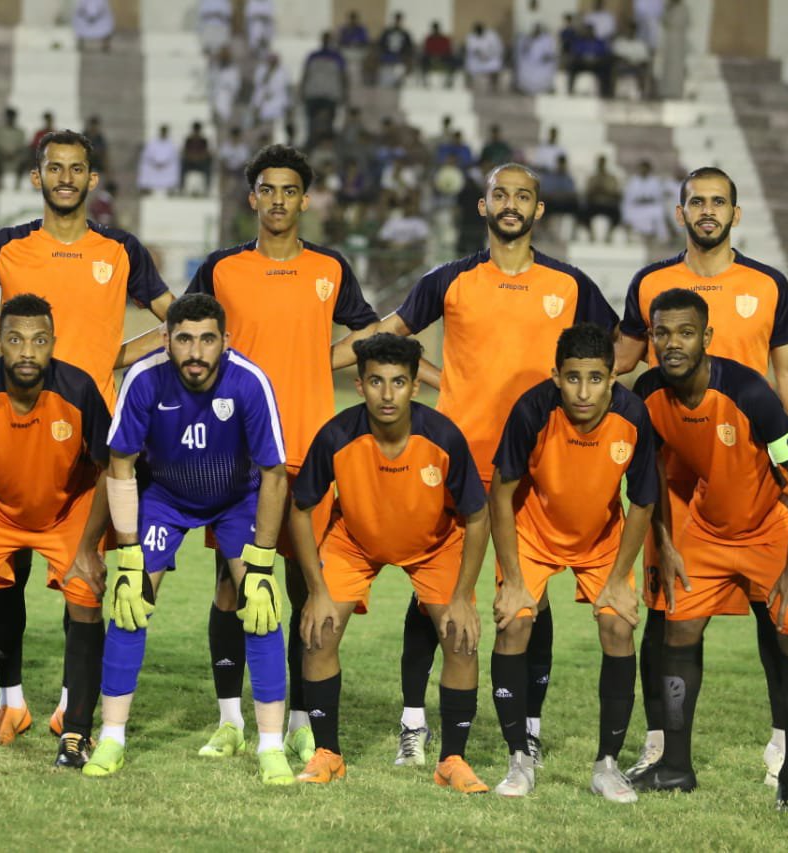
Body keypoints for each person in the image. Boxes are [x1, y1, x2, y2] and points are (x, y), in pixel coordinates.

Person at [373, 163, 618, 767]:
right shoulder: (451, 279)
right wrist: (443, 381)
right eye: (500, 195)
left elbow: (619, 353)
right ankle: (413, 723)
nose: (512, 204)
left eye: (523, 196)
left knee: (530, 598)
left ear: (539, 210)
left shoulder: (570, 284)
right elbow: (390, 338)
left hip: (536, 469)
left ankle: (528, 728)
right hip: (457, 460)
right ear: (483, 206)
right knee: (433, 594)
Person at [614, 166, 788, 788]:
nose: (707, 210)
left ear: (736, 213)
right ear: (680, 212)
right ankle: (663, 749)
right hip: (679, 483)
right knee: (668, 613)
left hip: (754, 466)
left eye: (718, 201)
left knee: (776, 614)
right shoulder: (651, 282)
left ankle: (784, 748)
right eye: (696, 201)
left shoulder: (767, 283)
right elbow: (624, 357)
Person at [0, 129, 171, 745]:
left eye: (76, 168)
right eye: (54, 168)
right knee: (8, 573)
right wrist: (14, 346)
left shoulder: (121, 250)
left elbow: (177, 319)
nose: (65, 178)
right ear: (37, 177)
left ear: (92, 179)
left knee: (84, 575)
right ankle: (11, 702)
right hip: (14, 426)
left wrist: (117, 356)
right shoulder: (3, 246)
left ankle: (67, 704)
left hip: (93, 444)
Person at [181, 145, 378, 765]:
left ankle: (298, 720)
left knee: (303, 583)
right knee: (231, 583)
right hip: (237, 449)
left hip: (310, 448)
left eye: (289, 190)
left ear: (305, 200)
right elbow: (186, 331)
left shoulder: (330, 267)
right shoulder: (222, 268)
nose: (278, 200)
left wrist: (318, 360)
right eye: (267, 189)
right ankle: (229, 720)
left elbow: (369, 332)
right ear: (252, 198)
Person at [81, 293, 292, 784]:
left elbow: (275, 475)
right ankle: (112, 738)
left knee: (260, 604)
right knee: (130, 599)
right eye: (184, 339)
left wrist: (262, 564)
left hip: (237, 498)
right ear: (165, 339)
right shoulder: (143, 378)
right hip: (166, 497)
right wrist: (128, 554)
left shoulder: (249, 381)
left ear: (225, 341)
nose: (195, 352)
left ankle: (270, 745)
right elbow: (120, 465)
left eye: (207, 339)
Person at [293, 333, 490, 793]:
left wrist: (463, 596)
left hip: (435, 544)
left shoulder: (443, 436)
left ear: (415, 386)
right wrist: (316, 591)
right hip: (354, 541)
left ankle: (452, 762)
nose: (387, 394)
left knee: (461, 640)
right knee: (319, 632)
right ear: (359, 384)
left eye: (398, 382)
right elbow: (301, 510)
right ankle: (328, 755)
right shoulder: (336, 435)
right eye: (376, 381)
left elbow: (478, 517)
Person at [0, 294, 111, 770]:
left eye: (38, 340)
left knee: (86, 597)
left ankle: (75, 732)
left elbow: (110, 466)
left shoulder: (79, 389)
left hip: (66, 510)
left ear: (53, 343)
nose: (27, 351)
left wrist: (89, 548)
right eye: (15, 339)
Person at [487, 323, 655, 800]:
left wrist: (619, 580)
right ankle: (519, 761)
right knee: (515, 622)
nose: (584, 391)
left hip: (600, 538)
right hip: (532, 531)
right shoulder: (532, 410)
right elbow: (500, 494)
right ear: (556, 376)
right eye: (573, 378)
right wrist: (513, 580)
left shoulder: (633, 416)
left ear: (613, 377)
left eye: (596, 378)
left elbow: (642, 501)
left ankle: (607, 766)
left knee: (618, 626)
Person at [300, 33, 348, 146]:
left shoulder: (337, 57)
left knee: (329, 121)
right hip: (313, 93)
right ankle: (311, 143)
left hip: (331, 94)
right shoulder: (313, 55)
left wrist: (344, 92)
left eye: (328, 39)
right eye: (325, 39)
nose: (326, 41)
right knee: (311, 121)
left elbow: (343, 76)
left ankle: (327, 145)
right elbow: (306, 74)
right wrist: (302, 90)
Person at [622, 159, 669, 243]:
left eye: (645, 168)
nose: (643, 170)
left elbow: (658, 196)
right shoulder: (633, 181)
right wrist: (638, 199)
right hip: (636, 207)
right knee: (628, 212)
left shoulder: (655, 181)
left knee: (658, 212)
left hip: (650, 206)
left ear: (649, 169)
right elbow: (628, 197)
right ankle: (635, 238)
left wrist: (647, 199)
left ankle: (661, 239)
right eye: (641, 168)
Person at [582, 154, 623, 242]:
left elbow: (616, 193)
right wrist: (595, 190)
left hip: (608, 204)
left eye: (602, 163)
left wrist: (605, 191)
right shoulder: (592, 178)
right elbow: (587, 193)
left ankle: (609, 234)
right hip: (594, 204)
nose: (601, 165)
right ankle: (591, 234)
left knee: (617, 214)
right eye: (599, 163)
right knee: (583, 213)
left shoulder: (611, 178)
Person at [251, 53, 290, 139]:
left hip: (278, 101)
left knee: (277, 127)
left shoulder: (283, 71)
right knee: (264, 127)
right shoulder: (262, 70)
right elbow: (260, 86)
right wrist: (269, 72)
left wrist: (287, 105)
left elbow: (285, 88)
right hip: (265, 102)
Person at [515, 23, 558, 94]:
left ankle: (547, 88)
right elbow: (525, 52)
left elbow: (551, 52)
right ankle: (526, 88)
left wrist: (547, 57)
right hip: (531, 63)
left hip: (543, 64)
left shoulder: (546, 39)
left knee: (546, 72)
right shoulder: (529, 39)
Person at [137, 125, 180, 194]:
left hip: (166, 166)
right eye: (163, 132)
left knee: (174, 166)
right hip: (153, 165)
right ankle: (145, 187)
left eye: (165, 132)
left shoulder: (171, 144)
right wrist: (155, 163)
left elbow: (173, 156)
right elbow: (147, 155)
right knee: (145, 166)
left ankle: (171, 187)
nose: (163, 134)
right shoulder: (152, 142)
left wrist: (164, 163)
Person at [464, 22, 505, 91]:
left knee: (496, 64)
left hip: (491, 58)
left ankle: (494, 85)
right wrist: (480, 55)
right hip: (477, 60)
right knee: (469, 65)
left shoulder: (492, 35)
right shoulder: (471, 36)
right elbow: (471, 49)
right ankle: (469, 85)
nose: (478, 34)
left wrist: (488, 55)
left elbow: (498, 48)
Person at [377, 12, 415, 86]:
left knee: (402, 67)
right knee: (386, 70)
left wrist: (406, 54)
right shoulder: (387, 32)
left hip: (401, 56)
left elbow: (409, 46)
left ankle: (399, 81)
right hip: (388, 54)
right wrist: (383, 51)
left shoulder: (405, 33)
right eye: (397, 19)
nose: (397, 21)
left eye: (399, 20)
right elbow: (381, 43)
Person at [0, 107, 27, 189]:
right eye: (9, 117)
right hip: (3, 157)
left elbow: (21, 146)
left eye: (12, 117)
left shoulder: (20, 132)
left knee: (24, 161)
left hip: (16, 158)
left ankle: (18, 184)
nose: (10, 119)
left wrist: (14, 154)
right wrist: (4, 153)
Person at [421, 20, 458, 87]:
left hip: (443, 58)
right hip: (431, 58)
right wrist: (433, 55)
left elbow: (448, 50)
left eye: (436, 28)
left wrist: (441, 55)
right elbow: (426, 50)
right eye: (435, 28)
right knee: (423, 59)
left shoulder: (444, 39)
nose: (436, 30)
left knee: (453, 60)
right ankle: (425, 81)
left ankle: (449, 81)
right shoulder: (429, 39)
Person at [181, 121, 214, 196]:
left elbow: (206, 152)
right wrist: (192, 157)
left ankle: (207, 188)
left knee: (208, 168)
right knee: (182, 165)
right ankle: (181, 187)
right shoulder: (188, 140)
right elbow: (185, 151)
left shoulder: (204, 140)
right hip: (190, 162)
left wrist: (199, 157)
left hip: (201, 162)